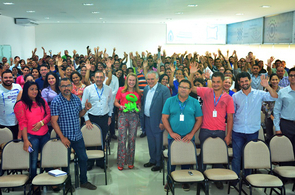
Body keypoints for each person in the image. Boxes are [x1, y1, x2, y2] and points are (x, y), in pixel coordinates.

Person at [231, 72, 278, 186]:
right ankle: (235, 179)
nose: (244, 83)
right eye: (241, 82)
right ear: (238, 83)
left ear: (250, 80)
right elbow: (232, 114)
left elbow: (274, 96)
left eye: (246, 81)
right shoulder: (235, 96)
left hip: (252, 131)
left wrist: (267, 86)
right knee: (237, 156)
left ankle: (247, 179)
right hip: (237, 130)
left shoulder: (260, 93)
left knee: (249, 156)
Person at [50, 78, 96, 190]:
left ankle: (83, 181)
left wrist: (85, 109)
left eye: (68, 85)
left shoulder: (76, 99)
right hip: (64, 137)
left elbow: (79, 114)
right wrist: (62, 138)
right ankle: (67, 183)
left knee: (83, 158)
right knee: (65, 162)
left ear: (71, 86)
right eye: (63, 86)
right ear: (60, 88)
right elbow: (53, 121)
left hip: (77, 135)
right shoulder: (56, 101)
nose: (66, 88)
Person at [191, 72, 235, 190]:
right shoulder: (206, 91)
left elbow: (230, 118)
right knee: (203, 156)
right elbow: (190, 87)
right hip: (205, 129)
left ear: (222, 82)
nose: (215, 84)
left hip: (220, 131)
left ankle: (217, 179)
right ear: (211, 82)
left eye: (218, 82)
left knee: (218, 156)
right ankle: (201, 178)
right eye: (213, 82)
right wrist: (191, 74)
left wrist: (228, 135)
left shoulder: (228, 98)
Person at [162, 79, 203, 192]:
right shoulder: (170, 101)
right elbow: (164, 118)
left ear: (190, 90)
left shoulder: (194, 102)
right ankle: (169, 180)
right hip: (173, 137)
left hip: (188, 138)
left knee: (186, 160)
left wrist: (191, 134)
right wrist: (171, 132)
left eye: (186, 87)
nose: (183, 89)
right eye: (181, 87)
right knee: (172, 161)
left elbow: (199, 119)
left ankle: (185, 181)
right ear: (178, 88)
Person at [14, 81, 51, 181]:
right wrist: (25, 140)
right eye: (31, 89)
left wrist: (42, 123)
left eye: (36, 89)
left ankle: (49, 180)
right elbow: (22, 123)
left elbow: (48, 115)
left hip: (45, 134)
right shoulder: (21, 104)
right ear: (26, 90)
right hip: (31, 136)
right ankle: (34, 182)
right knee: (33, 161)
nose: (34, 91)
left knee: (48, 158)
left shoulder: (42, 101)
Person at [81, 70, 113, 170]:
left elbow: (110, 104)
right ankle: (90, 162)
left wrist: (109, 116)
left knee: (102, 139)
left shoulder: (108, 89)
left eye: (101, 77)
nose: (99, 79)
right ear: (93, 78)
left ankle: (100, 161)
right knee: (90, 140)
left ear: (104, 78)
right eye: (97, 77)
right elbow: (83, 105)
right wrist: (86, 119)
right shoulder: (88, 89)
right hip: (92, 117)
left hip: (104, 118)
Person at [142, 71, 171, 171]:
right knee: (150, 141)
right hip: (147, 119)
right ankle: (152, 160)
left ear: (157, 79)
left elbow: (166, 107)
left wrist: (163, 121)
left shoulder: (164, 90)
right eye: (148, 79)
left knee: (158, 142)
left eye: (152, 79)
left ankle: (159, 163)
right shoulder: (146, 88)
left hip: (158, 120)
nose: (150, 81)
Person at [114, 73, 141, 170]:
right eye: (130, 80)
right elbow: (115, 102)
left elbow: (139, 105)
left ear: (136, 82)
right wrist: (121, 106)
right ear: (127, 80)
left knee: (132, 139)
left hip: (134, 116)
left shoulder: (138, 92)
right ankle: (121, 162)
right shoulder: (121, 90)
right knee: (122, 139)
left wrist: (138, 108)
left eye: (133, 80)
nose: (131, 82)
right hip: (122, 115)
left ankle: (130, 161)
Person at [274, 68, 295, 155]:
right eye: (291, 75)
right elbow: (276, 110)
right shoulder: (282, 92)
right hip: (286, 125)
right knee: (286, 152)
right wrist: (277, 128)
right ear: (288, 77)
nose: (293, 77)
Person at [0, 70, 22, 139]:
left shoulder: (18, 87)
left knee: (15, 144)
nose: (8, 79)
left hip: (17, 122)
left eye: (10, 77)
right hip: (3, 123)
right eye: (5, 78)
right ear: (1, 78)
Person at [262, 73, 280, 143]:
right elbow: (263, 104)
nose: (274, 81)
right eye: (273, 80)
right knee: (270, 135)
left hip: (281, 116)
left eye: (276, 79)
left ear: (279, 80)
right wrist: (271, 115)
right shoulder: (266, 90)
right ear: (270, 80)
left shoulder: (282, 90)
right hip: (269, 116)